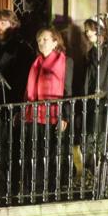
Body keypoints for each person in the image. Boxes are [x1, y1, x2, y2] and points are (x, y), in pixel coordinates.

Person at [20, 25, 73, 199]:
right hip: (34, 115)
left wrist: (64, 115)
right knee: (35, 153)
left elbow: (67, 90)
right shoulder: (35, 63)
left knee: (51, 153)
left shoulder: (65, 61)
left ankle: (53, 190)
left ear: (55, 42)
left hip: (53, 115)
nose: (41, 43)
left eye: (45, 39)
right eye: (39, 40)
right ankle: (35, 190)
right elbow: (28, 91)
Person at [79, 16, 108, 189]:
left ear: (99, 29)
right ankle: (94, 178)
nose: (87, 33)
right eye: (86, 30)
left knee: (105, 143)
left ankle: (107, 182)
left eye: (90, 29)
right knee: (88, 144)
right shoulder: (91, 53)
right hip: (93, 104)